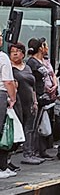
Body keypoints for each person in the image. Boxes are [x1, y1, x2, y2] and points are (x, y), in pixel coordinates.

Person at [9, 43, 43, 165]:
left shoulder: (27, 67)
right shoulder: (8, 68)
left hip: (29, 102)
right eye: (12, 51)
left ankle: (29, 154)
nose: (15, 53)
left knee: (30, 128)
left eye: (17, 51)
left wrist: (35, 101)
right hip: (16, 102)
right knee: (15, 130)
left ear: (23, 54)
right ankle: (8, 159)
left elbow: (32, 86)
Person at [25, 38, 55, 160]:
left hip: (42, 96)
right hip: (35, 97)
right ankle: (30, 152)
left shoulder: (41, 61)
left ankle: (36, 151)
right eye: (43, 45)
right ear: (40, 48)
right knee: (31, 126)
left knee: (37, 125)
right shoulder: (32, 62)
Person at [0, 34, 18, 178]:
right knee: (2, 132)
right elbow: (8, 81)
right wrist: (12, 98)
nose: (1, 39)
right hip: (1, 94)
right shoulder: (3, 57)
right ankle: (2, 167)